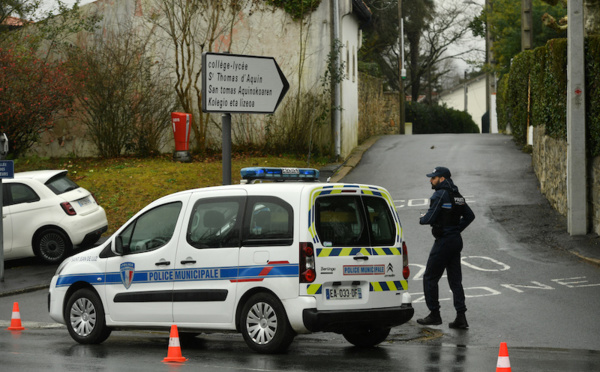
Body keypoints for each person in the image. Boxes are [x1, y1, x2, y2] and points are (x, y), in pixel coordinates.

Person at [417, 166, 475, 329]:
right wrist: (456, 229)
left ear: (442, 179)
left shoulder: (439, 194)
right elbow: (470, 216)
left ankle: (434, 314)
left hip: (444, 242)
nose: (431, 180)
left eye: (433, 178)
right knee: (455, 280)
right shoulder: (457, 195)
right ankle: (461, 317)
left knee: (430, 277)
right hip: (456, 241)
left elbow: (430, 217)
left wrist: (421, 219)